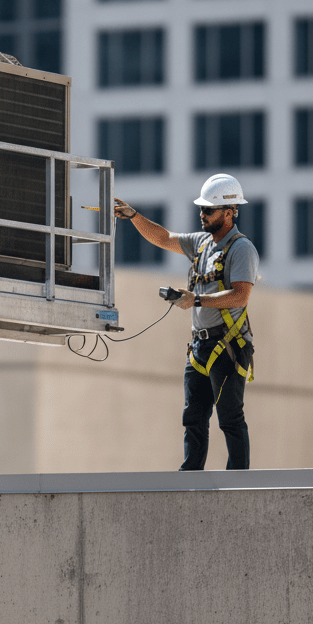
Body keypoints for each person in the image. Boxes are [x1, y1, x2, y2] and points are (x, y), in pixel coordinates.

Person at [113, 173, 259, 471]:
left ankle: (240, 484)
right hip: (200, 346)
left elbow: (241, 296)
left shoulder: (242, 249)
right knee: (193, 416)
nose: (202, 214)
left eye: (209, 210)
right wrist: (134, 217)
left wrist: (197, 300)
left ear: (229, 213)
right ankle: (190, 477)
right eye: (201, 209)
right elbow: (164, 238)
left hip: (227, 346)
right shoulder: (202, 244)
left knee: (230, 418)